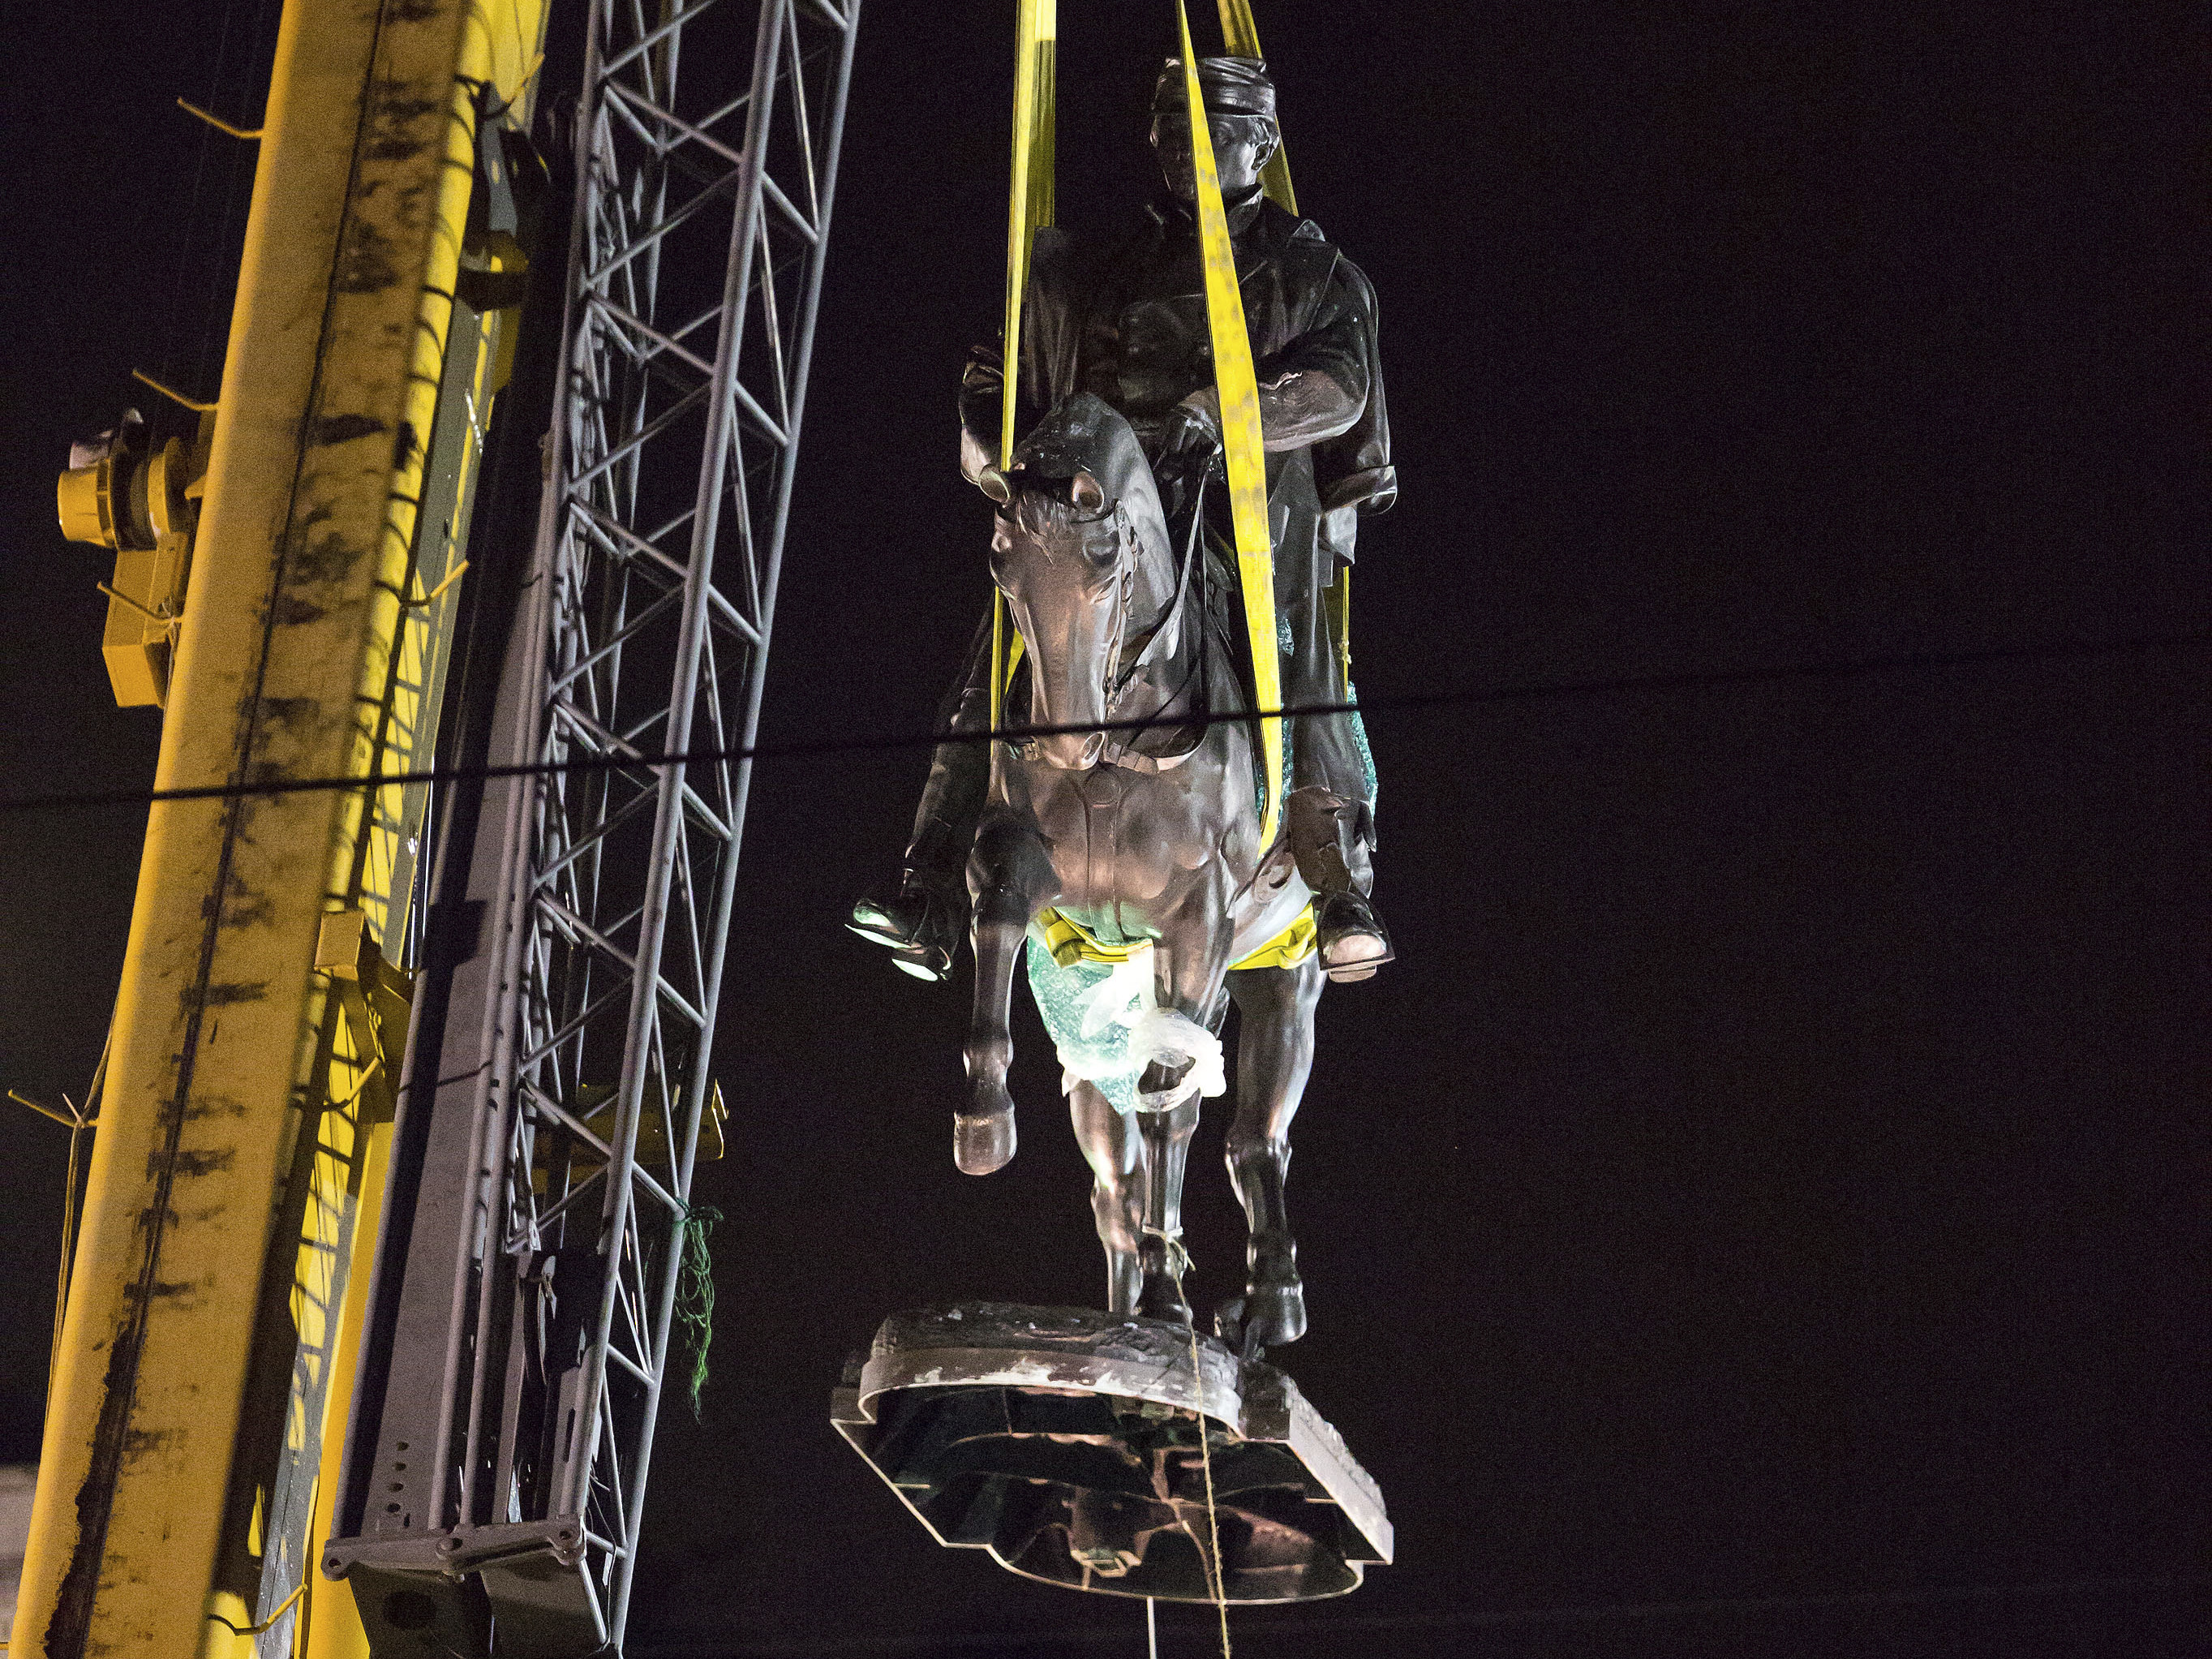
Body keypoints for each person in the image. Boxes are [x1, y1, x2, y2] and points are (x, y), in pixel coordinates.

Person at [851, 54, 1397, 984]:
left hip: (1239, 508)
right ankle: (934, 876)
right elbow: (993, 374)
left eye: (1215, 132)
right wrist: (1008, 472)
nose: (1191, 150)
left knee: (1295, 649)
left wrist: (1220, 415)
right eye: (1174, 134)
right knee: (1009, 642)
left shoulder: (1310, 268)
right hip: (1095, 501)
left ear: (1261, 145)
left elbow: (1338, 384)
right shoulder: (1090, 266)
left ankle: (1333, 863)